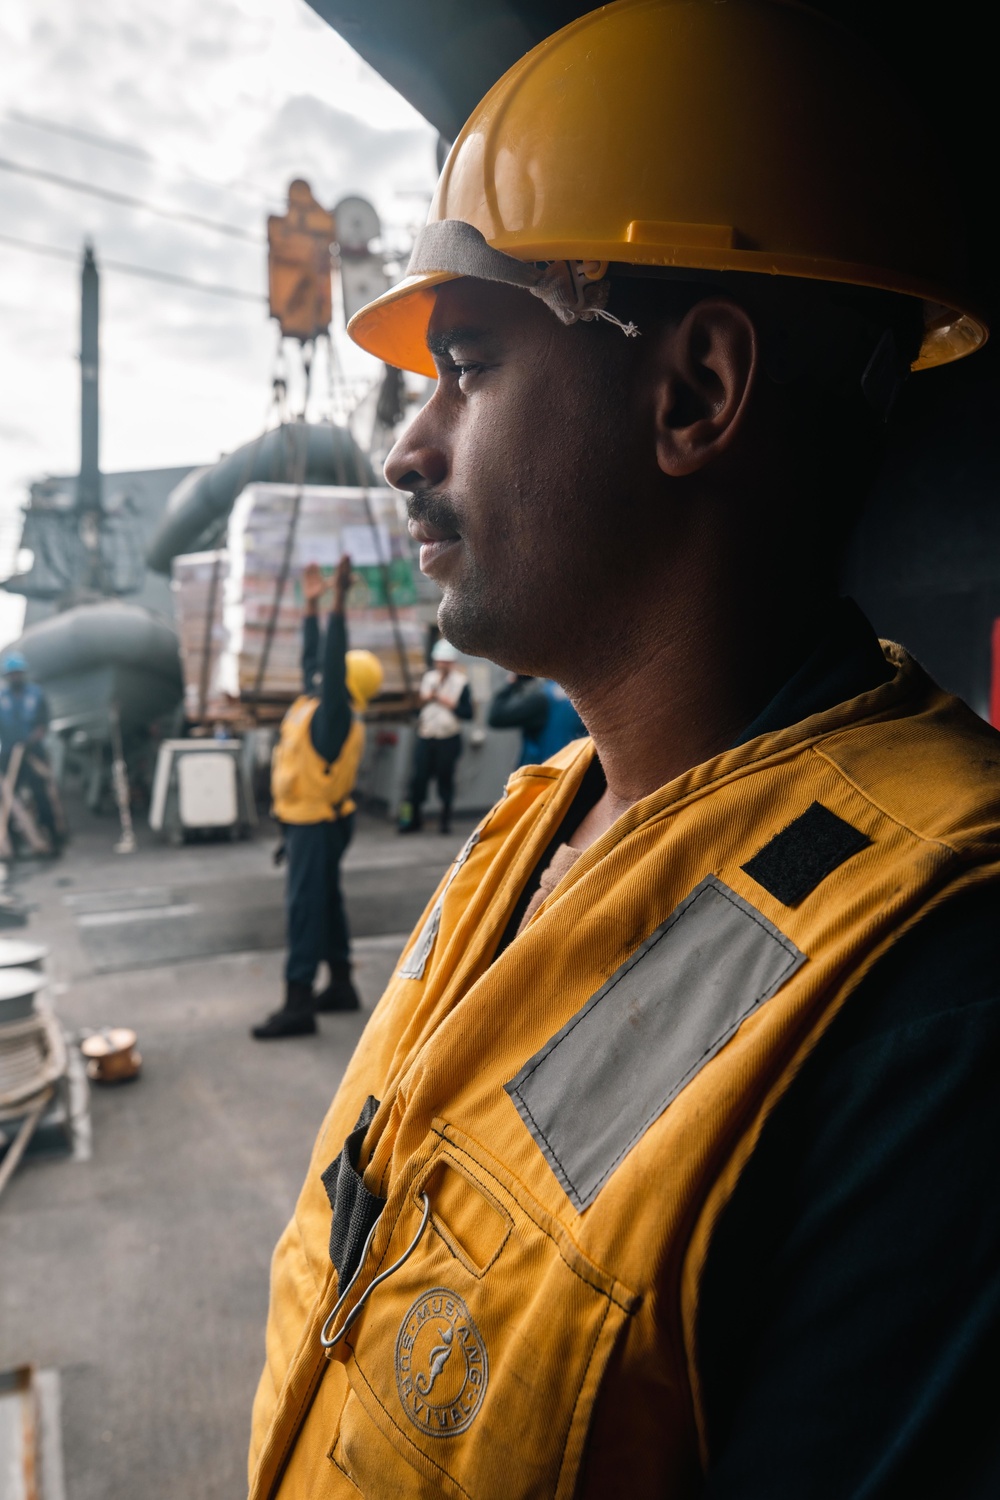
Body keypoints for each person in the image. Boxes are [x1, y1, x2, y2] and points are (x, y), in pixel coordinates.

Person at [248, 4, 1000, 1496]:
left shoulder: (940, 1000)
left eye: (466, 359)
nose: (408, 444)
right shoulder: (538, 820)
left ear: (695, 395)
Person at [252, 558, 383, 1040]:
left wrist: (338, 603)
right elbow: (316, 661)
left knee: (306, 909)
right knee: (325, 901)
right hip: (313, 822)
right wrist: (309, 607)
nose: (323, 672)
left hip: (315, 826)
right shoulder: (318, 703)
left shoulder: (335, 719)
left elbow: (327, 660)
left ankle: (298, 1004)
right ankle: (343, 984)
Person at [397, 636, 472, 834]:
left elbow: (468, 713)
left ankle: (445, 822)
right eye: (439, 661)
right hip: (426, 736)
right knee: (418, 780)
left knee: (445, 780)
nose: (442, 665)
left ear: (452, 662)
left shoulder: (461, 683)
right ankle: (413, 820)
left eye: (446, 662)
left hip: (448, 739)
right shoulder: (428, 679)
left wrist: (444, 701)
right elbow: (417, 708)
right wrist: (425, 700)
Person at [0, 650, 62, 852]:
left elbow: (43, 721)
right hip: (10, 754)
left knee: (41, 795)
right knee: (8, 798)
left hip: (33, 753)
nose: (15, 677)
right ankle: (13, 842)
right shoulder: (2, 697)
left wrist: (33, 739)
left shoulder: (35, 693)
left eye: (18, 673)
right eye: (12, 674)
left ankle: (53, 836)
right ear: (7, 676)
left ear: (23, 673)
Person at [488, 673, 586, 766]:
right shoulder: (584, 695)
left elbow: (496, 716)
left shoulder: (542, 698)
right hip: (578, 771)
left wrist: (514, 680)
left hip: (545, 776)